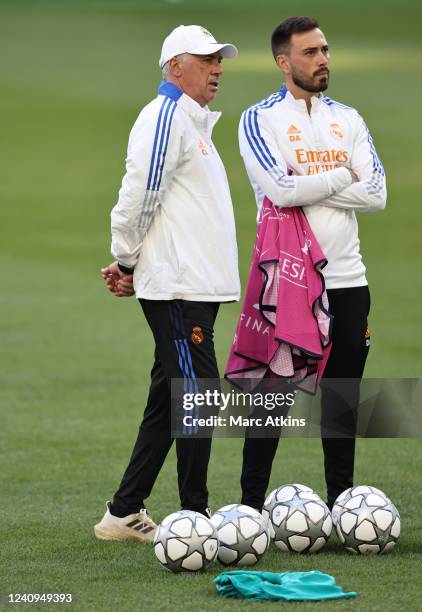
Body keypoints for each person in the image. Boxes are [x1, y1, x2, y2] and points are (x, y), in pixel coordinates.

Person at [94, 25, 240, 542]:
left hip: (193, 287)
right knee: (197, 393)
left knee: (169, 395)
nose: (217, 66)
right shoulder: (166, 116)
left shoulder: (192, 124)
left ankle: (124, 511)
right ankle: (195, 521)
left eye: (219, 58)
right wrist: (126, 259)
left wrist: (131, 263)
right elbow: (140, 190)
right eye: (206, 59)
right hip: (177, 290)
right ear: (175, 66)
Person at [238, 16, 386, 511]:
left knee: (343, 399)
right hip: (289, 282)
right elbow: (278, 190)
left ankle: (343, 503)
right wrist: (342, 174)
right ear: (283, 62)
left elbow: (378, 193)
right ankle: (251, 509)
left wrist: (310, 181)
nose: (323, 59)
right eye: (310, 52)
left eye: (325, 49)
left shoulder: (350, 117)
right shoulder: (260, 118)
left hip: (348, 278)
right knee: (272, 397)